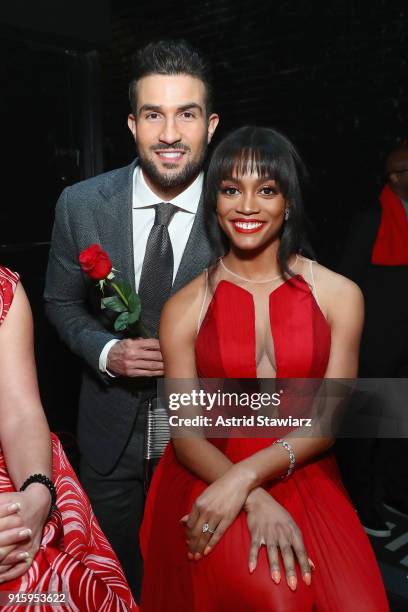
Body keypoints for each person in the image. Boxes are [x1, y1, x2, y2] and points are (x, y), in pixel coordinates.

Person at [140, 127, 389, 611]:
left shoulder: (340, 295)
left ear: (289, 201)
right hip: (207, 467)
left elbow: (329, 420)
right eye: (232, 190)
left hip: (303, 461)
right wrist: (249, 496)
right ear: (214, 202)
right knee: (275, 597)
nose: (247, 206)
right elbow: (187, 434)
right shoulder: (183, 307)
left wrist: (246, 479)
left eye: (266, 190)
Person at [44, 39, 220, 598]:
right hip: (107, 428)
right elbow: (61, 302)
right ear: (131, 123)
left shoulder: (242, 209)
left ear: (210, 126)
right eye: (153, 114)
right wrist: (105, 351)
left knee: (194, 577)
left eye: (186, 114)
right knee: (115, 575)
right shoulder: (81, 204)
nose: (169, 133)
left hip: (208, 435)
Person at [0, 266, 137, 610]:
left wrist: (36, 495)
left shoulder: (3, 289)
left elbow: (18, 413)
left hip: (14, 473)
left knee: (44, 579)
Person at [336, 142, 408, 537]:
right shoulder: (372, 219)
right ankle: (361, 504)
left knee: (398, 430)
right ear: (395, 178)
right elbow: (346, 281)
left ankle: (395, 494)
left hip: (404, 348)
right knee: (363, 431)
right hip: (373, 346)